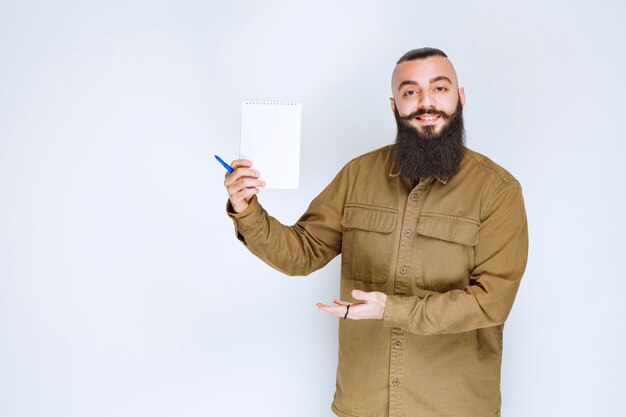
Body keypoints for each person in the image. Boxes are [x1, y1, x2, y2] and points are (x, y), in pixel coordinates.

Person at [223, 47, 528, 417]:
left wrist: (392, 309)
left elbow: (491, 301)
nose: (425, 103)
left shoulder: (497, 191)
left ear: (460, 98)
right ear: (394, 105)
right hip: (363, 404)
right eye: (410, 92)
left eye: (440, 88)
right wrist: (246, 208)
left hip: (453, 407)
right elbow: (302, 253)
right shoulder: (358, 175)